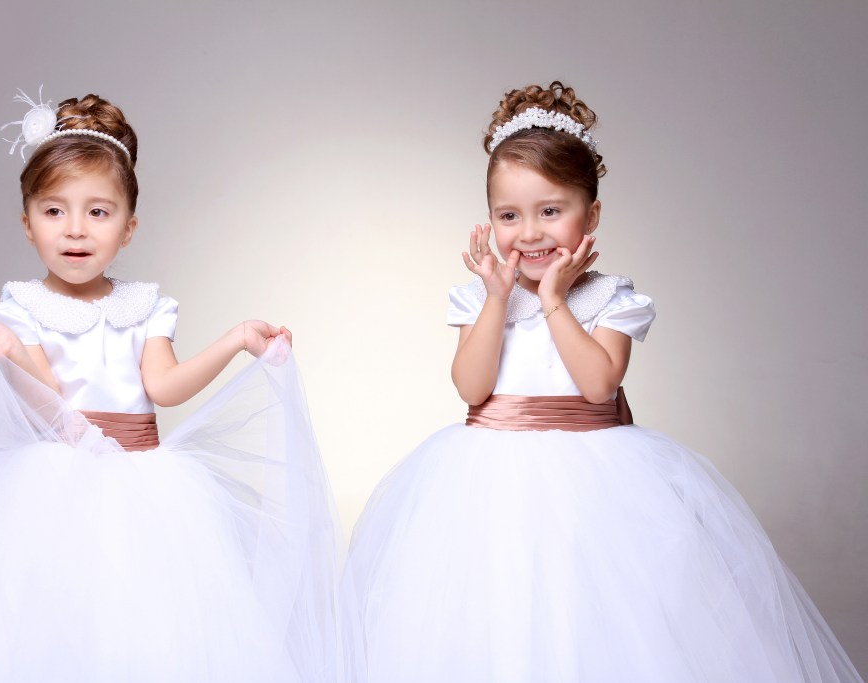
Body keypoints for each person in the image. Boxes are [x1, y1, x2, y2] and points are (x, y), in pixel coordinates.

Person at [346, 81, 863, 682]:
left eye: (550, 211)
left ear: (590, 215)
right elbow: (471, 387)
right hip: (484, 483)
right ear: (489, 221)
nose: (530, 233)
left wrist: (554, 300)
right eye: (509, 216)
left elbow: (598, 386)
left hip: (595, 483)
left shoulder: (612, 299)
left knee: (597, 622)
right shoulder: (479, 297)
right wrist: (496, 300)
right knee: (495, 615)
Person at [0, 90, 352, 682]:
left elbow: (164, 387)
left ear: (129, 227)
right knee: (49, 625)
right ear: (27, 223)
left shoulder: (146, 306)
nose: (75, 230)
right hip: (54, 484)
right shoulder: (19, 308)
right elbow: (51, 403)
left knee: (149, 629)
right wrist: (10, 355)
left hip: (146, 482)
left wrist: (237, 340)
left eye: (98, 212)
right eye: (54, 211)